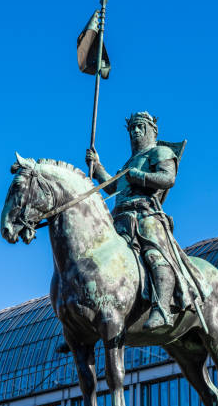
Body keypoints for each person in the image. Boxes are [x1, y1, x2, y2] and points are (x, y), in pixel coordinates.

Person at [86, 111, 205, 332]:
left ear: (153, 130)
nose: (136, 132)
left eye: (140, 127)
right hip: (119, 218)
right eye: (132, 128)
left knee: (153, 255)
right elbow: (112, 187)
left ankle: (162, 309)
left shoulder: (160, 151)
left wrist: (139, 176)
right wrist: (98, 167)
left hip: (146, 215)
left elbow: (168, 179)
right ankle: (85, 319)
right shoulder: (128, 163)